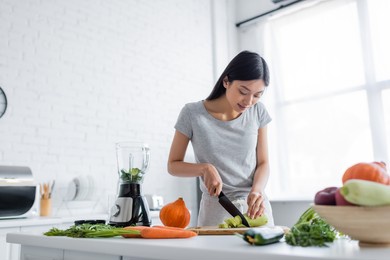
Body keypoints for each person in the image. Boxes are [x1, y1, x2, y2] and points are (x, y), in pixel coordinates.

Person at [167, 50, 274, 227]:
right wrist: (204, 169)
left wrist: (258, 190)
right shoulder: (192, 114)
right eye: (243, 91)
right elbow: (173, 165)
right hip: (215, 212)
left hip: (255, 209)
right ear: (226, 81)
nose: (248, 101)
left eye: (257, 95)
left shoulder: (258, 111)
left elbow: (264, 163)